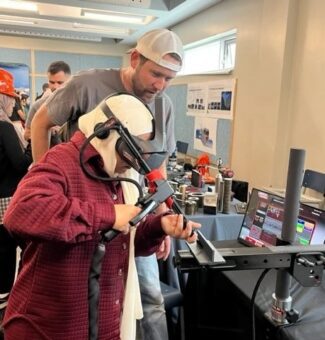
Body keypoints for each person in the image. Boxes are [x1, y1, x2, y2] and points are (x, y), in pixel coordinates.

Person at [2, 93, 200, 339]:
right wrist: (108, 215)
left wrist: (159, 226)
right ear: (105, 134)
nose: (130, 164)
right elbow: (21, 212)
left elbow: (116, 242)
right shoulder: (60, 161)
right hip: (49, 328)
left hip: (99, 323)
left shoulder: (111, 174)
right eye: (129, 152)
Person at [30, 28, 184, 340]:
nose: (160, 85)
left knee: (151, 297)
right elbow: (40, 124)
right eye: (156, 74)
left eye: (169, 78)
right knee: (78, 298)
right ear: (135, 58)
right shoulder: (88, 84)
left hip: (133, 205)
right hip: (84, 203)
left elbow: (158, 166)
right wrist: (45, 178)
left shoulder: (162, 105)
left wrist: (164, 215)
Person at [0, 69, 32, 334]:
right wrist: (33, 142)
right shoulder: (4, 127)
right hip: (6, 201)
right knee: (6, 255)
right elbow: (21, 165)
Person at [24, 60, 71, 141]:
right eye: (52, 82)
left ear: (69, 81)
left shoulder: (79, 105)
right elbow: (26, 134)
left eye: (60, 82)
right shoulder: (38, 106)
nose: (55, 87)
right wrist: (45, 130)